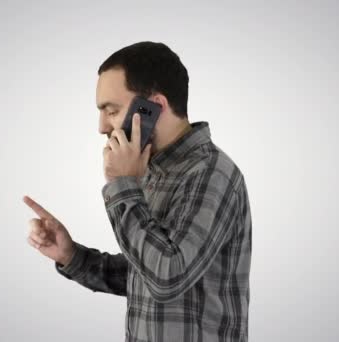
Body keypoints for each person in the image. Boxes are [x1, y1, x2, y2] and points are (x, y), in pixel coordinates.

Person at [23, 41, 252, 341]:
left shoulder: (211, 174)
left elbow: (167, 277)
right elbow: (142, 273)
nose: (102, 126)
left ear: (153, 107)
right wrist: (71, 255)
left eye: (112, 110)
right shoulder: (150, 170)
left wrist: (121, 184)